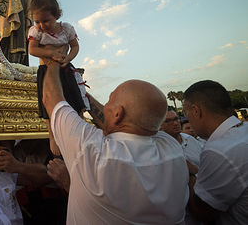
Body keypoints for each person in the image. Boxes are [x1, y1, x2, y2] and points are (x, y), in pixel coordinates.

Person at [41, 61, 189, 223]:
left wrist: (51, 62)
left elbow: (50, 99)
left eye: (110, 100)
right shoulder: (172, 147)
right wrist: (81, 91)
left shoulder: (92, 150)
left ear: (118, 113)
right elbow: (123, 124)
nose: (105, 107)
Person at [28, 0, 86, 156]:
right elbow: (32, 49)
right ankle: (52, 136)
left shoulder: (66, 29)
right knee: (48, 103)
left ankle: (81, 126)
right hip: (46, 71)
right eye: (37, 21)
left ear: (57, 16)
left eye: (46, 20)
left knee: (75, 98)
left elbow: (75, 47)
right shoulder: (36, 32)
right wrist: (51, 53)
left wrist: (67, 58)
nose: (41, 25)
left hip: (65, 68)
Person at [184, 80, 248, 224]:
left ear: (196, 110)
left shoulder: (219, 151)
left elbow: (203, 212)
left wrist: (188, 172)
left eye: (187, 115)